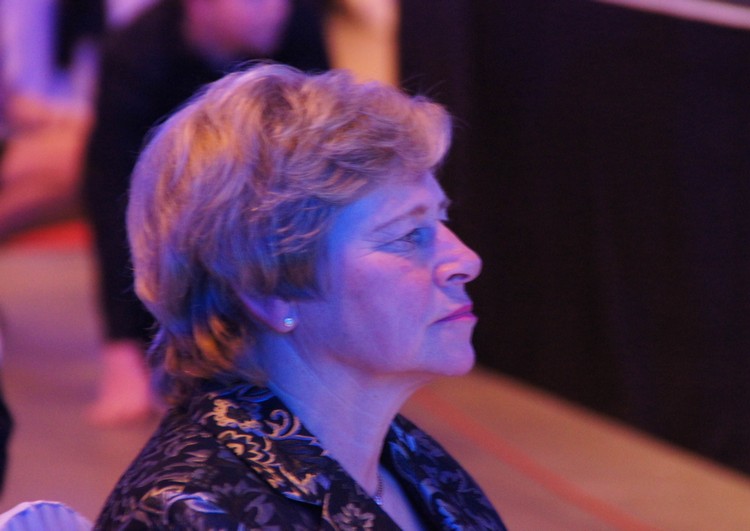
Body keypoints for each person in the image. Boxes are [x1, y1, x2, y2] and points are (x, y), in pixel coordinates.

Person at [95, 64, 506, 529]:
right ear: (269, 288)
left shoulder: (414, 462)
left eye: (440, 220)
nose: (466, 260)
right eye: (408, 235)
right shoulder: (191, 514)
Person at [82, 0, 328, 424]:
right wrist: (122, 348)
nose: (276, 10)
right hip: (174, 200)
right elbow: (112, 202)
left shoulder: (297, 27)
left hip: (257, 203)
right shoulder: (136, 53)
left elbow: (321, 171)